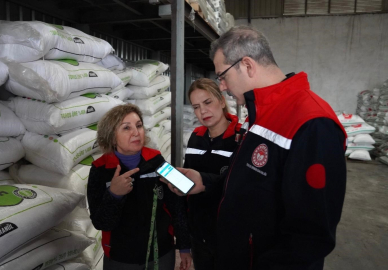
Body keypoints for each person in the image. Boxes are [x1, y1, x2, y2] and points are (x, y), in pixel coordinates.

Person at [166, 26, 348, 270]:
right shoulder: (259, 116)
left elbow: (310, 234)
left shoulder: (312, 123)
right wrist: (206, 182)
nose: (222, 86)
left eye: (222, 76)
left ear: (248, 66)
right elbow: (250, 183)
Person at [87, 104, 192, 270]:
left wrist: (185, 246)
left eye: (139, 126)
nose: (136, 133)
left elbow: (179, 204)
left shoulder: (157, 161)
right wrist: (114, 195)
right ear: (112, 137)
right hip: (121, 259)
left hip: (161, 254)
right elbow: (101, 223)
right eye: (126, 128)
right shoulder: (100, 170)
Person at [184, 78, 242, 270]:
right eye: (196, 107)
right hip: (199, 235)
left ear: (222, 101)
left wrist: (205, 182)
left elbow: (241, 188)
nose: (203, 111)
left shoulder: (240, 139)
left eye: (207, 102)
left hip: (230, 237)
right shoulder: (195, 138)